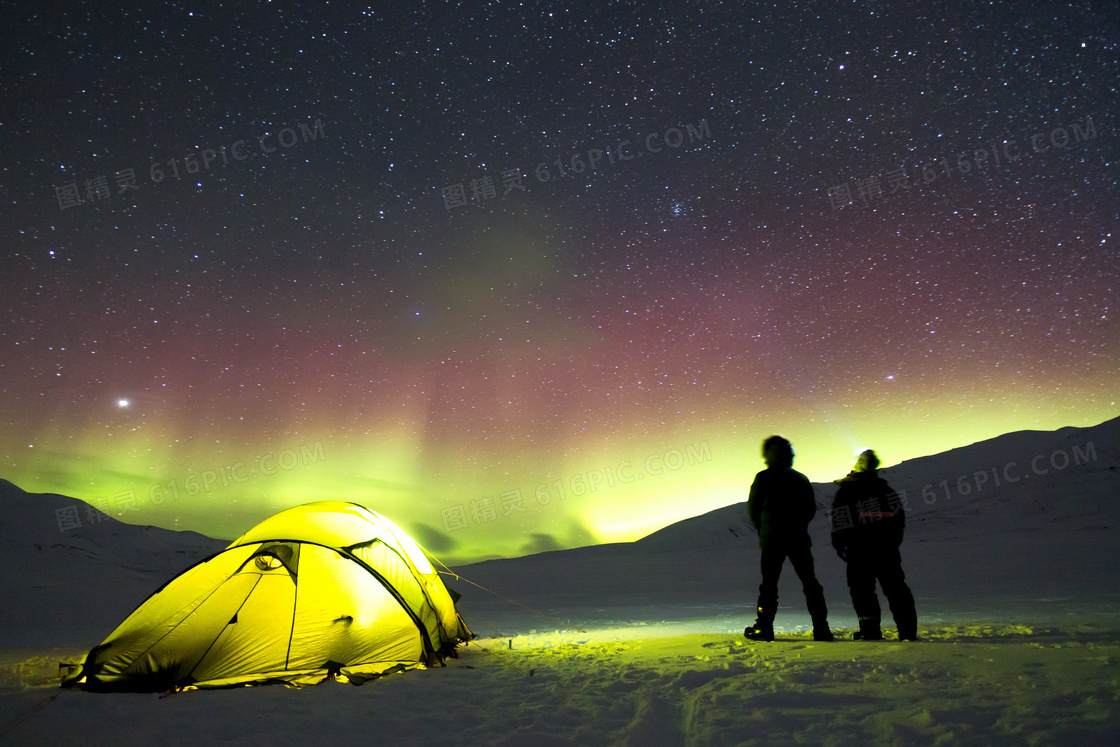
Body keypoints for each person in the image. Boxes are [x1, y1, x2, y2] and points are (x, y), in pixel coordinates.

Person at [744, 435, 833, 642]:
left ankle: (765, 627)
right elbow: (810, 509)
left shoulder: (763, 477)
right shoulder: (799, 479)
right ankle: (821, 628)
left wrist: (765, 530)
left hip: (772, 540)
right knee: (810, 582)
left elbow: (754, 510)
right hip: (798, 538)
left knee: (769, 584)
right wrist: (798, 527)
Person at [830, 449, 918, 641]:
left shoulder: (847, 491)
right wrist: (892, 544)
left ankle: (869, 631)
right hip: (886, 550)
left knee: (862, 590)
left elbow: (839, 521)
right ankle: (907, 631)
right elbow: (898, 521)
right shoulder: (886, 491)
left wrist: (840, 543)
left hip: (859, 551)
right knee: (896, 589)